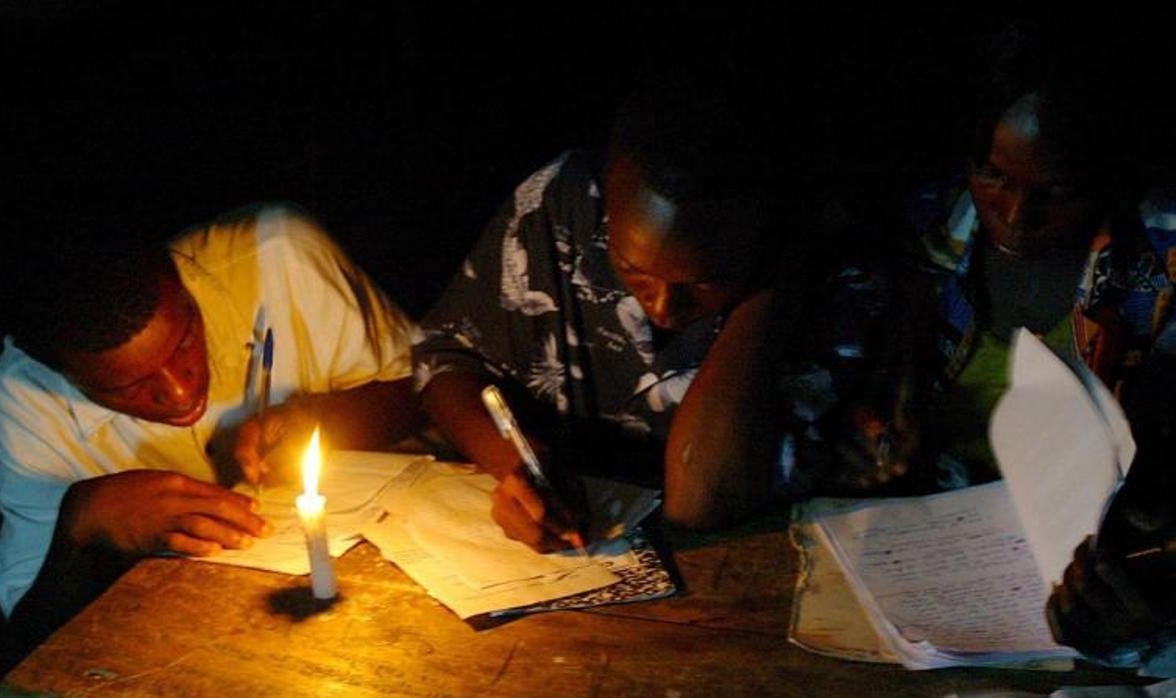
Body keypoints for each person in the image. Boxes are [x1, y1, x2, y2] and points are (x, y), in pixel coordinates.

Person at [791, 23, 1176, 672]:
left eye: (1057, 190)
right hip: (916, 584)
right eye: (991, 173)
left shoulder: (1163, 255)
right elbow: (820, 401)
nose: (1016, 214)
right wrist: (861, 438)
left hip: (1093, 607)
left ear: (1110, 170)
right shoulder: (922, 227)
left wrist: (1157, 580)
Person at [0, 203, 422, 650]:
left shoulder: (278, 255)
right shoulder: (27, 394)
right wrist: (81, 525)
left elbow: (431, 392)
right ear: (61, 374)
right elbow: (28, 639)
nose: (178, 392)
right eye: (130, 387)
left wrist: (327, 420)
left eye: (186, 340)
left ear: (180, 279)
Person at [412, 72, 804, 551]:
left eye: (703, 282)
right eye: (630, 267)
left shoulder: (836, 280)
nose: (662, 306)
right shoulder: (562, 207)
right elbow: (445, 355)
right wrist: (514, 459)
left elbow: (701, 496)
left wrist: (772, 286)